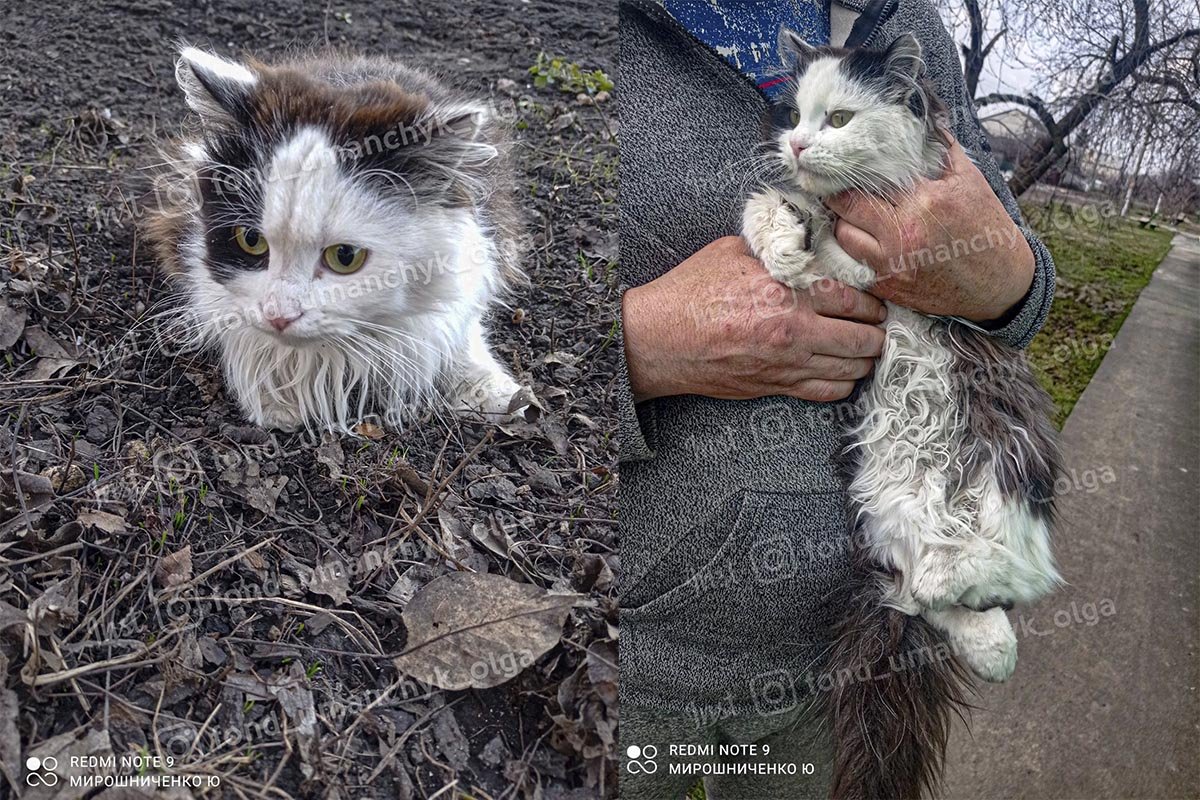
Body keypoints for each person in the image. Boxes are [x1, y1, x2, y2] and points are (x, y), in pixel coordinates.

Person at [617, 1, 1055, 797]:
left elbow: (1012, 266)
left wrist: (1005, 272)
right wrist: (639, 344)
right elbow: (493, 322)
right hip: (630, 659)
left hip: (845, 664)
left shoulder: (908, 22)